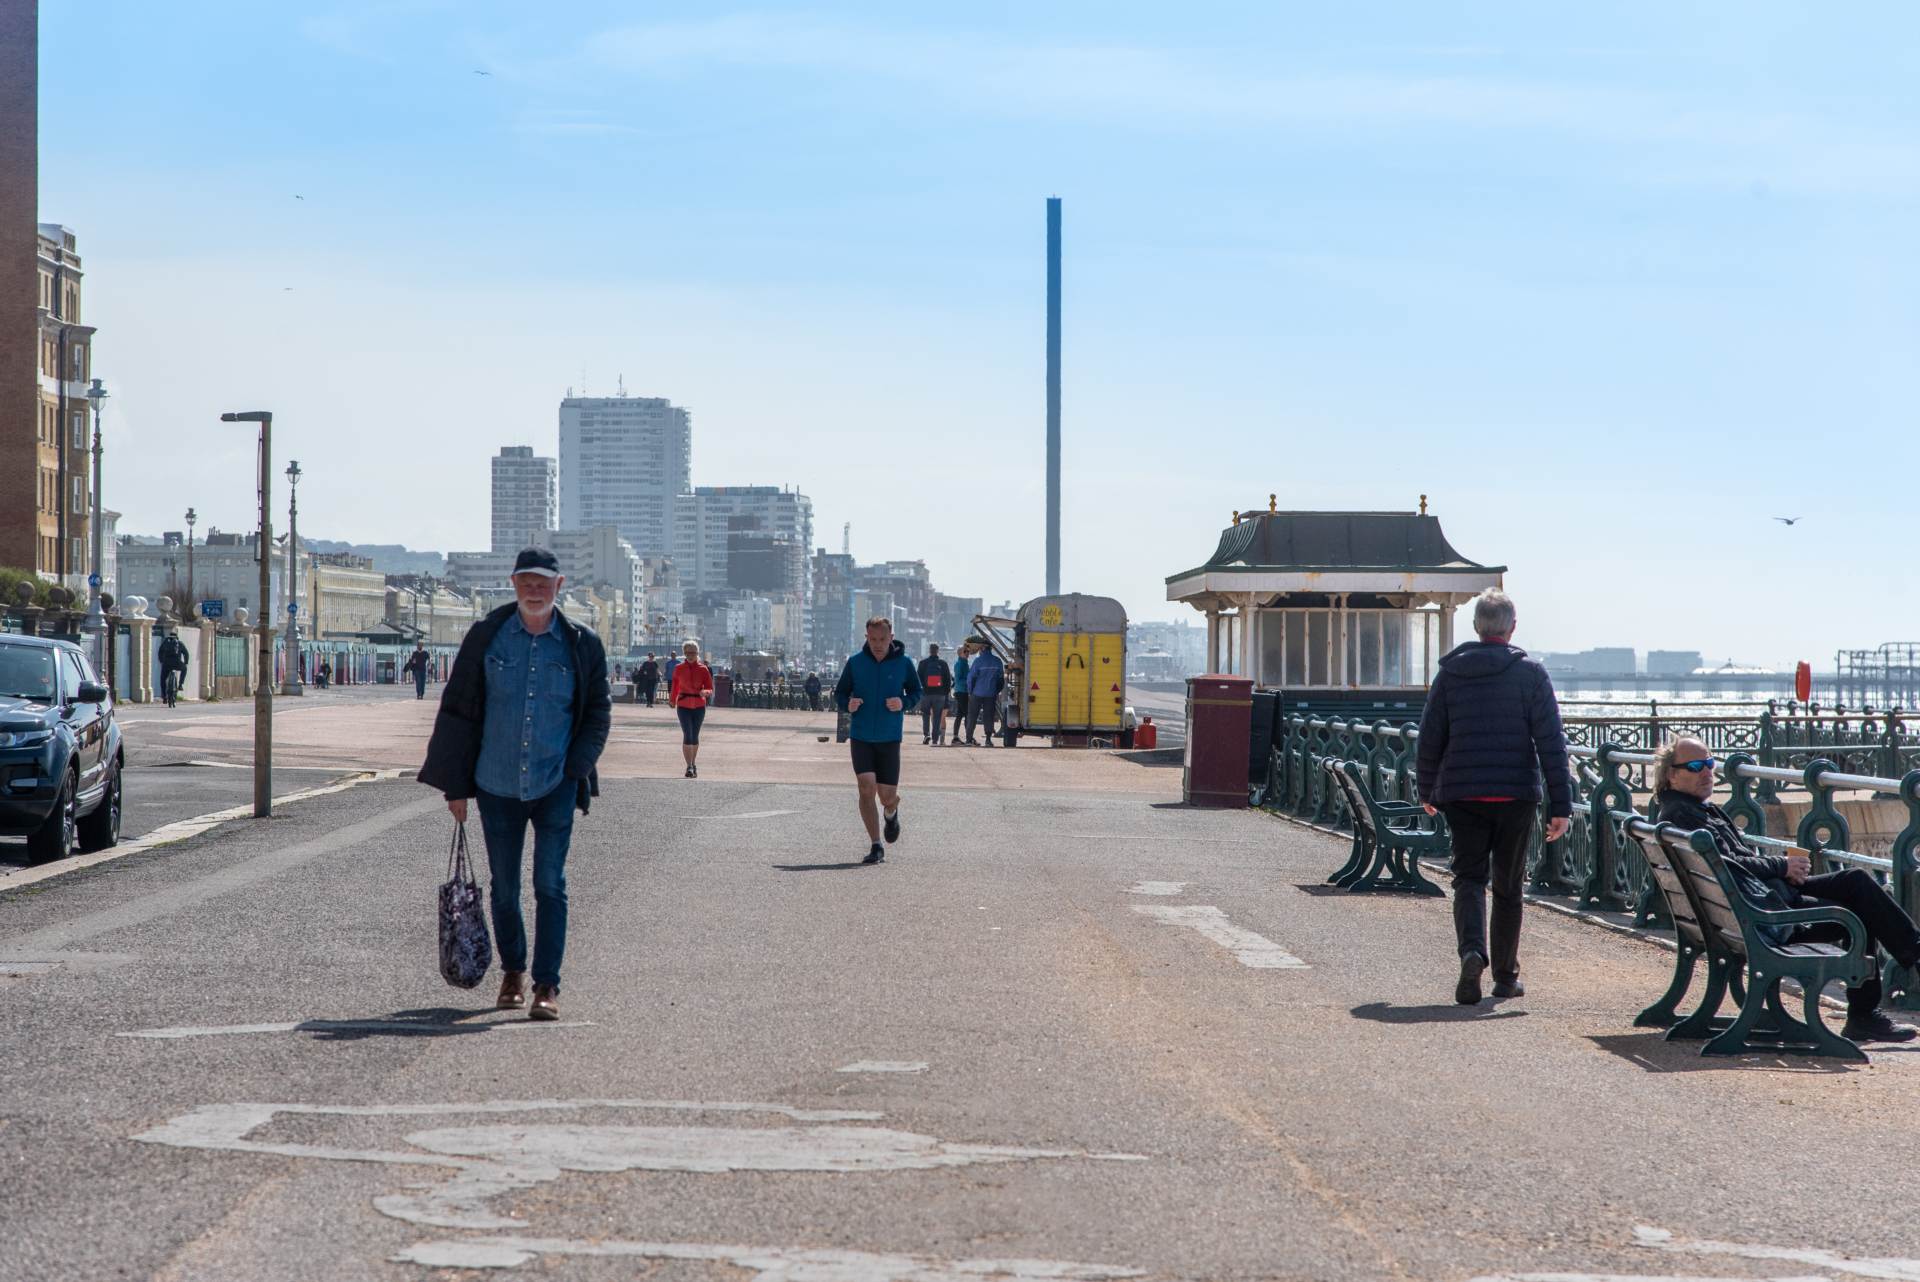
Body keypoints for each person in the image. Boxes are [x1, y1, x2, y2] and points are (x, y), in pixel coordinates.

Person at [418, 547, 612, 1022]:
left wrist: (577, 767)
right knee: (504, 888)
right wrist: (455, 786)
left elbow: (597, 714)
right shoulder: (488, 637)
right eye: (527, 581)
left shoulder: (580, 643)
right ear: (513, 583)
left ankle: (547, 984)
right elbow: (459, 711)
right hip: (496, 784)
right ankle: (513, 973)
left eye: (544, 582)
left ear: (559, 586)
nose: (534, 590)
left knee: (550, 884)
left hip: (555, 783)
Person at [1654, 735, 1920, 1043]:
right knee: (1858, 912)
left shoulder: (1688, 811)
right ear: (1671, 775)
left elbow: (1729, 863)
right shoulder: (1684, 815)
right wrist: (1782, 867)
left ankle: (1907, 962)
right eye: (1696, 766)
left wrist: (1782, 871)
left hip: (1744, 910)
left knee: (1856, 882)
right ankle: (1870, 1007)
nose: (1706, 773)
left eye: (1710, 764)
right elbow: (1727, 865)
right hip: (1763, 918)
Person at [1416, 589, 1570, 1006]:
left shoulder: (1450, 674)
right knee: (1508, 886)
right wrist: (1561, 806)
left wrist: (1426, 788)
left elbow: (1431, 738)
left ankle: (1471, 952)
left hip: (1463, 794)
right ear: (1512, 628)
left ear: (1476, 628)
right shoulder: (1531, 675)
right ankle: (1505, 976)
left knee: (1468, 878)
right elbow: (1551, 744)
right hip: (1515, 795)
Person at [834, 616, 921, 864]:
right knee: (865, 788)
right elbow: (840, 693)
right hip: (860, 735)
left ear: (891, 638)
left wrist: (903, 702)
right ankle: (876, 845)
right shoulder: (855, 663)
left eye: (882, 639)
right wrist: (847, 703)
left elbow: (917, 692)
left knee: (886, 795)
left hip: (889, 737)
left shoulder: (904, 664)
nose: (878, 644)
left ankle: (891, 812)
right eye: (873, 639)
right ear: (866, 638)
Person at [670, 640, 713, 778]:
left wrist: (705, 692)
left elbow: (710, 688)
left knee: (695, 735)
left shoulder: (703, 669)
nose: (690, 655)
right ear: (684, 653)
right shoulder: (678, 668)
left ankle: (693, 763)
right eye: (688, 653)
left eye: (693, 653)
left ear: (697, 653)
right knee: (687, 734)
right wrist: (672, 700)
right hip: (683, 705)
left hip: (699, 705)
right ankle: (688, 766)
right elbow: (675, 686)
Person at [964, 641, 1005, 746]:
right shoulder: (997, 661)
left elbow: (970, 678)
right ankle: (988, 740)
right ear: (990, 649)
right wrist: (996, 691)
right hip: (991, 694)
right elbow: (1001, 680)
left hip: (976, 693)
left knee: (972, 716)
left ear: (982, 649)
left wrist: (970, 691)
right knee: (989, 717)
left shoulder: (978, 661)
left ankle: (968, 740)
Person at [917, 643, 952, 745]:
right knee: (937, 716)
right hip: (940, 695)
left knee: (926, 715)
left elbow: (918, 679)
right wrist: (945, 693)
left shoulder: (923, 663)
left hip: (926, 694)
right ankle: (935, 738)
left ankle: (926, 735)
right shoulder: (943, 664)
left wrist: (922, 691)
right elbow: (948, 680)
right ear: (938, 651)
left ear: (929, 651)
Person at [157, 630, 190, 707]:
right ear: (176, 636)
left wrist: (161, 661)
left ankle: (164, 696)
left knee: (163, 679)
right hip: (177, 663)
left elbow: (160, 652)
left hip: (166, 664)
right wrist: (186, 662)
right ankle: (181, 684)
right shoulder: (179, 643)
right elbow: (186, 653)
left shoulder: (165, 642)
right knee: (184, 669)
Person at [949, 644, 971, 745]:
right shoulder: (960, 664)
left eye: (968, 651)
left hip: (963, 691)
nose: (968, 653)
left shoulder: (964, 663)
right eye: (965, 651)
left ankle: (956, 737)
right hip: (961, 691)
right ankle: (968, 737)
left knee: (960, 714)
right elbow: (958, 679)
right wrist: (969, 680)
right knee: (967, 714)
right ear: (960, 653)